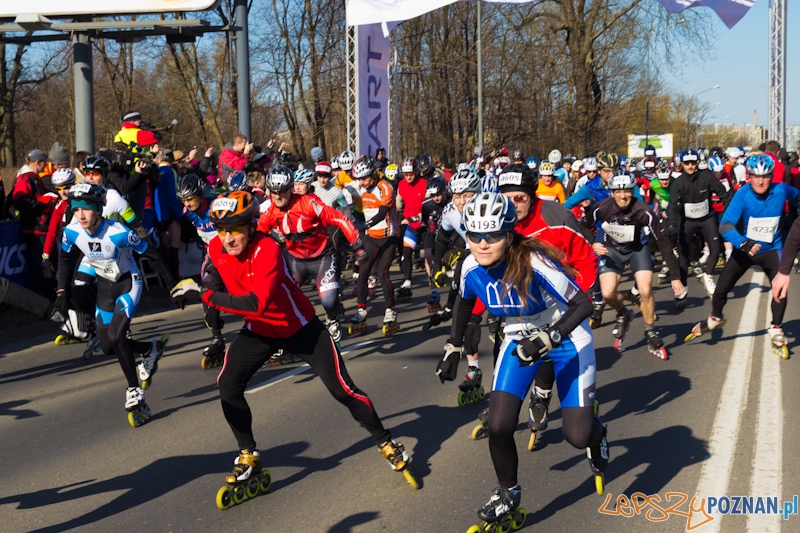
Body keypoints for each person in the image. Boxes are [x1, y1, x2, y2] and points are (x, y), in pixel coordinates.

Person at [195, 191, 416, 507]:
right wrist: (204, 287)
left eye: (234, 229)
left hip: (301, 330)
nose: (228, 238)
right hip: (258, 332)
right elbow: (214, 277)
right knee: (227, 385)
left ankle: (385, 441)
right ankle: (248, 454)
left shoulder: (267, 248)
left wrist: (205, 297)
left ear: (250, 226)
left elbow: (255, 304)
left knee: (343, 390)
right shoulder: (216, 246)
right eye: (221, 229)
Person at [435, 192, 607, 527]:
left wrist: (549, 337)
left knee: (576, 435)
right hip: (520, 336)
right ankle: (507, 493)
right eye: (474, 236)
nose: (483, 245)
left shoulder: (533, 261)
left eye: (493, 236)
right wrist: (453, 347)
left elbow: (583, 304)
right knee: (498, 425)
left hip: (566, 334)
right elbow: (464, 303)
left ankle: (595, 433)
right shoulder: (470, 265)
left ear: (509, 233)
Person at [58, 183, 169, 426]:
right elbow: (65, 260)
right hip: (105, 289)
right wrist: (61, 292)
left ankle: (133, 390)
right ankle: (150, 349)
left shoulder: (118, 231)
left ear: (98, 210)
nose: (81, 215)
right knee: (108, 347)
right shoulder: (72, 231)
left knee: (117, 336)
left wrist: (173, 285)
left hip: (128, 283)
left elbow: (151, 253)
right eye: (76, 211)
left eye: (86, 210)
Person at [688, 155, 798, 359]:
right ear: (749, 176)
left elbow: (797, 195)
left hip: (773, 250)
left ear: (771, 176)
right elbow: (725, 224)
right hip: (744, 250)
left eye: (765, 176)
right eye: (756, 176)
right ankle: (716, 317)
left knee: (779, 290)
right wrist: (742, 242)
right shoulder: (743, 194)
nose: (761, 181)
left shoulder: (781, 189)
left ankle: (776, 328)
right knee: (720, 291)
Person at [257, 166, 366, 342]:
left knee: (329, 301)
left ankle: (332, 317)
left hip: (322, 256)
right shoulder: (270, 211)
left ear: (291, 188)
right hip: (295, 261)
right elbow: (257, 235)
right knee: (279, 300)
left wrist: (358, 245)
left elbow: (340, 219)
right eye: (274, 191)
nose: (278, 196)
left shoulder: (308, 203)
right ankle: (287, 335)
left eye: (283, 191)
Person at [587, 171, 684, 358]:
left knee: (645, 290)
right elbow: (583, 225)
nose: (623, 196)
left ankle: (650, 330)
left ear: (633, 191)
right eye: (618, 191)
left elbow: (663, 242)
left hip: (637, 250)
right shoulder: (602, 207)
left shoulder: (643, 210)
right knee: (607, 293)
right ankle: (623, 313)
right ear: (612, 192)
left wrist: (675, 276)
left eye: (627, 191)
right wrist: (593, 242)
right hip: (612, 250)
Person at [174, 173, 228, 367]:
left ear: (200, 194)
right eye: (183, 200)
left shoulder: (216, 205)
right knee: (207, 294)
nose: (187, 204)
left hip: (230, 250)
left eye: (190, 199)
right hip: (210, 254)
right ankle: (217, 338)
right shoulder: (186, 211)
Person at [667, 149, 731, 307]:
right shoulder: (679, 182)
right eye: (687, 163)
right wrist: (672, 224)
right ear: (682, 164)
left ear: (697, 163)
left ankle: (708, 276)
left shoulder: (706, 177)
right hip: (687, 221)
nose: (690, 166)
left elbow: (724, 194)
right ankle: (681, 291)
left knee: (716, 250)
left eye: (693, 163)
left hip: (707, 218)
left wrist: (729, 215)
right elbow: (672, 205)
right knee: (682, 256)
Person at [349, 156, 400, 335]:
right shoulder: (360, 188)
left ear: (372, 175)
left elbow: (382, 213)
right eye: (359, 180)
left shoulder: (386, 187)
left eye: (363, 179)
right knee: (363, 273)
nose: (361, 183)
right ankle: (362, 311)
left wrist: (365, 225)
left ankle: (390, 311)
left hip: (388, 236)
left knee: (382, 272)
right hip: (371, 236)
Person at [12, 149, 58, 296]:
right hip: (36, 229)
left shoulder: (33, 178)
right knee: (42, 267)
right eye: (44, 163)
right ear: (38, 163)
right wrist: (45, 202)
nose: (46, 166)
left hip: (42, 228)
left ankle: (48, 296)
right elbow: (21, 201)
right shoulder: (26, 178)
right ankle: (44, 300)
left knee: (48, 265)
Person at [396, 156, 429, 299]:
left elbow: (428, 207)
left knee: (429, 255)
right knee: (406, 253)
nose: (408, 177)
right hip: (412, 225)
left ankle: (434, 278)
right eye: (405, 174)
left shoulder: (424, 183)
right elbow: (398, 202)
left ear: (416, 171)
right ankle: (408, 281)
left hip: (426, 224)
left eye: (410, 174)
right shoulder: (401, 184)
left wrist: (413, 218)